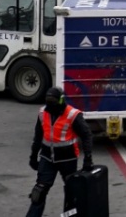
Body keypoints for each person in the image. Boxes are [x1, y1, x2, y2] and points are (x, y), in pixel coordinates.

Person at [26, 86, 94, 217]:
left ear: (61, 101)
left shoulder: (72, 115)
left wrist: (88, 159)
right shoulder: (43, 113)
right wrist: (33, 156)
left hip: (67, 160)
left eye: (53, 102)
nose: (50, 106)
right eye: (48, 102)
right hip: (47, 158)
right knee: (38, 192)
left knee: (72, 194)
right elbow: (38, 136)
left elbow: (87, 135)